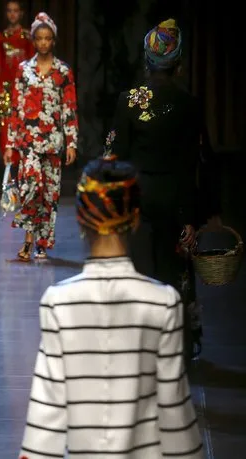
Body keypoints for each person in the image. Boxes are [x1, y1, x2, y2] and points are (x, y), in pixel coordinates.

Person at [19, 157, 203, 458]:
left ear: (81, 219)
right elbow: (174, 414)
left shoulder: (58, 303)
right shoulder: (163, 302)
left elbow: (46, 417)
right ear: (134, 218)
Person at [107, 19, 222, 361]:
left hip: (137, 201)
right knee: (176, 275)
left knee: (140, 270)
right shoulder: (190, 104)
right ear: (179, 62)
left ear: (147, 60)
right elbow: (201, 160)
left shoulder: (129, 101)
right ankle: (177, 346)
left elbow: (113, 157)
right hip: (179, 202)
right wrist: (204, 211)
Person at [5, 12, 78, 261]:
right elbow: (15, 109)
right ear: (34, 40)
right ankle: (28, 239)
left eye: (48, 38)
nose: (44, 42)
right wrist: (10, 144)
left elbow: (69, 108)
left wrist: (72, 142)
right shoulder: (23, 70)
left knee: (50, 193)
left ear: (53, 40)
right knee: (30, 189)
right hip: (29, 142)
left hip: (54, 141)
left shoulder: (64, 71)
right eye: (39, 38)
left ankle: (42, 243)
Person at [0, 0, 35, 158]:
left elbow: (33, 65)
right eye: (9, 10)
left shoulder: (28, 37)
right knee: (6, 127)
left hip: (25, 88)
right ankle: (8, 170)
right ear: (6, 13)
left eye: (16, 10)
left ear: (21, 13)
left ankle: (24, 168)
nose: (12, 14)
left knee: (25, 126)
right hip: (5, 88)